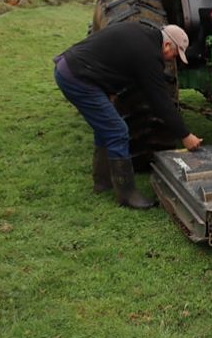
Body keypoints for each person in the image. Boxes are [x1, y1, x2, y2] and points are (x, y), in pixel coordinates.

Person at [54, 22, 203, 209]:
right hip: (77, 77)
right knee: (117, 131)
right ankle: (127, 194)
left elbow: (118, 60)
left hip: (74, 69)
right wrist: (185, 135)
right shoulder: (149, 54)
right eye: (175, 54)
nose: (173, 59)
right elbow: (160, 102)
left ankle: (103, 182)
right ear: (166, 45)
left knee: (106, 128)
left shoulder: (143, 36)